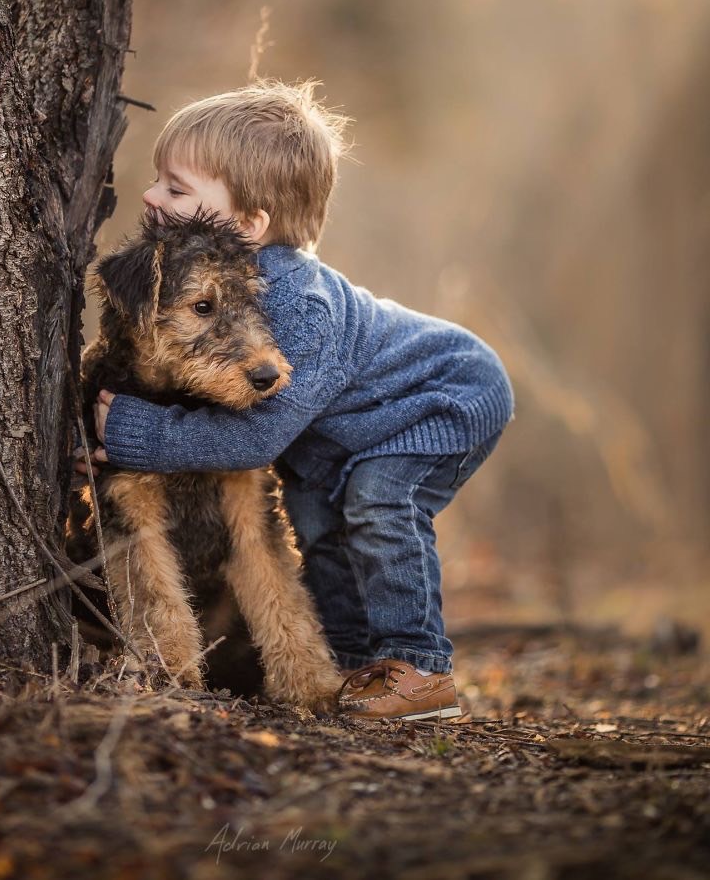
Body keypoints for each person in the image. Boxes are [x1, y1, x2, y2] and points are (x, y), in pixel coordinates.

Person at [84, 80, 514, 721]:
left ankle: (419, 666)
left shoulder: (299, 306)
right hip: (355, 428)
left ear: (249, 224)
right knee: (313, 518)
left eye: (176, 189)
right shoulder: (238, 278)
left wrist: (133, 432)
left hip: (445, 393)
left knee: (378, 501)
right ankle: (347, 664)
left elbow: (257, 439)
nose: (150, 197)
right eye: (158, 181)